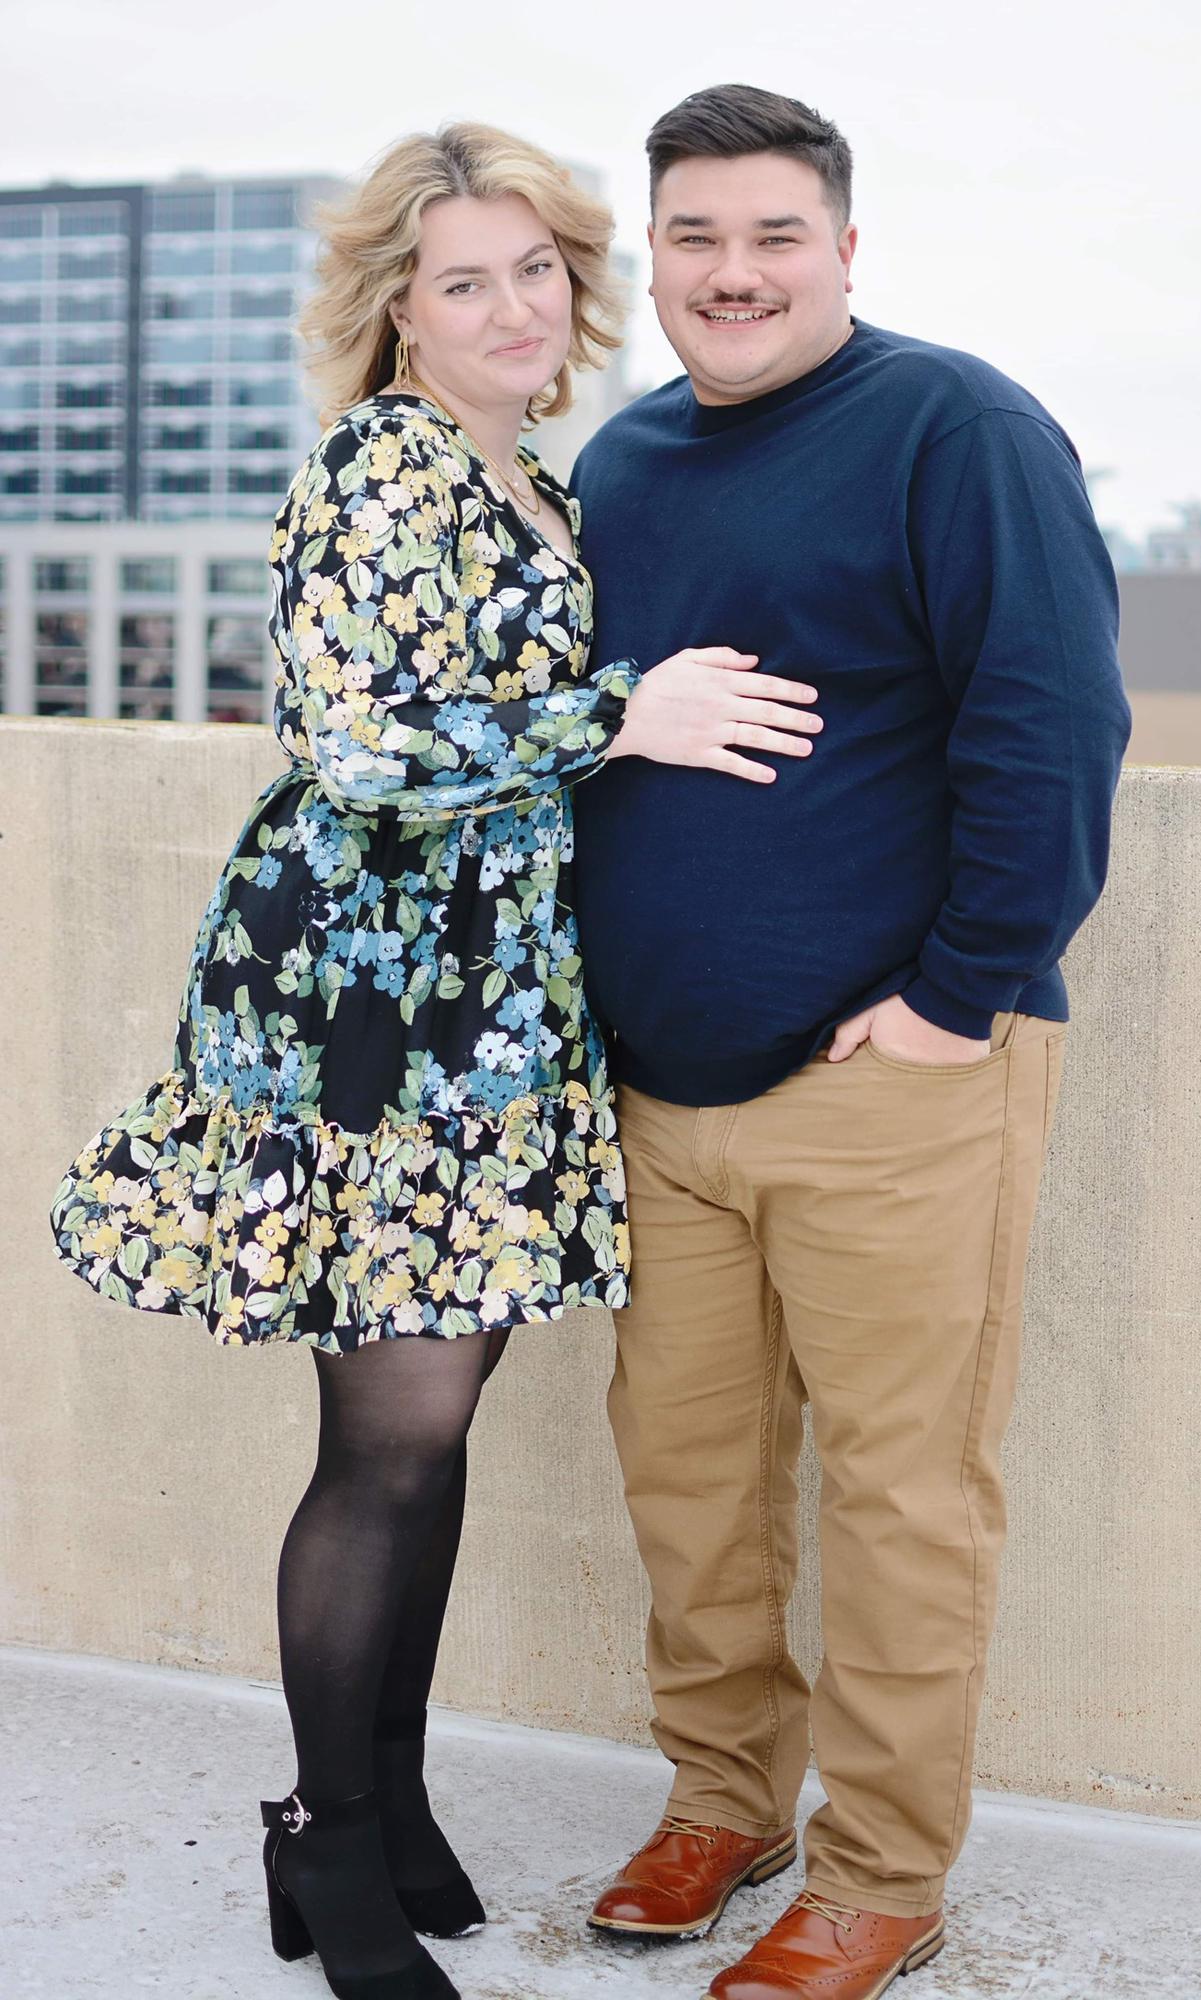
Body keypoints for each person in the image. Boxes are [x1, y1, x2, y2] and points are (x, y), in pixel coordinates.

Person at [47, 120, 822, 2000]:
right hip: (366, 1007)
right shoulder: (379, 462)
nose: (510, 306)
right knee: (387, 1439)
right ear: (399, 307)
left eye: (534, 268)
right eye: (463, 280)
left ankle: (382, 1803)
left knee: (432, 1423)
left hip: (485, 998)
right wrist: (619, 712)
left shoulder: (527, 470)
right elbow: (356, 739)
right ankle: (324, 1840)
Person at [571, 85, 1133, 1999]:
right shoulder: (626, 456)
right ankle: (720, 1798)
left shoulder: (951, 427)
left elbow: (1050, 723)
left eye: (772, 236)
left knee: (901, 1499)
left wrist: (959, 999)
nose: (731, 274)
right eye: (695, 238)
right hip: (660, 1089)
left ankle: (881, 1873)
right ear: (657, 256)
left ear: (841, 247)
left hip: (889, 1081)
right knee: (689, 1485)